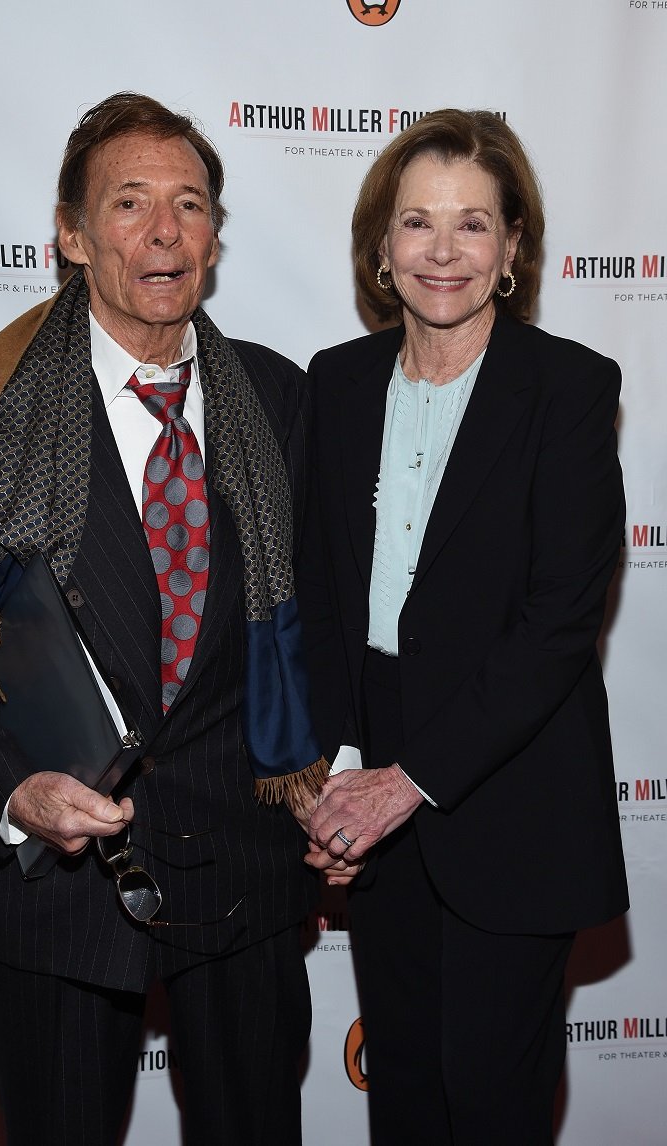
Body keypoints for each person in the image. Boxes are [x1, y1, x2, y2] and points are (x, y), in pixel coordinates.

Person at [0, 92, 325, 1146]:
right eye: (129, 204)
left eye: (189, 204)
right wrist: (11, 788)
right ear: (73, 237)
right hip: (59, 902)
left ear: (214, 235)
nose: (164, 231)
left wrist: (332, 780)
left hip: (245, 887)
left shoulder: (281, 399)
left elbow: (312, 627)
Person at [297, 109, 628, 1145]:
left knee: (488, 1100)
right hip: (378, 784)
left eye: (472, 224)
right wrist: (341, 783)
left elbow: (560, 616)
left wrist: (406, 783)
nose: (442, 251)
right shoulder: (337, 384)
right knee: (401, 1090)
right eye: (416, 223)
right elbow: (324, 594)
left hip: (509, 795)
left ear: (513, 247)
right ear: (380, 248)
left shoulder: (567, 388)